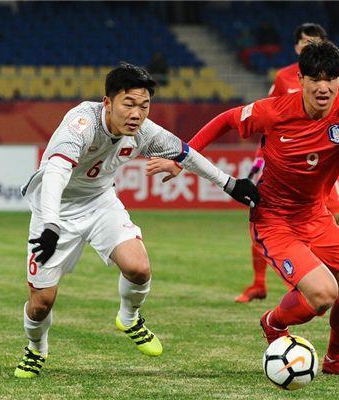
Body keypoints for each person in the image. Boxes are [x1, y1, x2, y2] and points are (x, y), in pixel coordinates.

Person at [147, 41, 339, 376]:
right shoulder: (274, 110)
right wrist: (181, 159)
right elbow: (226, 120)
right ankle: (273, 323)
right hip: (274, 219)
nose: (323, 87)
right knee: (323, 294)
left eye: (330, 79)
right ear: (300, 79)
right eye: (315, 79)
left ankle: (336, 360)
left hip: (316, 216)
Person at [14, 62, 259, 378]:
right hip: (55, 210)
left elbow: (185, 154)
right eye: (128, 104)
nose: (137, 114)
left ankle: (129, 318)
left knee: (139, 268)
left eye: (144, 106)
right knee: (41, 304)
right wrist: (50, 223)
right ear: (108, 103)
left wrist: (230, 184)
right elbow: (55, 173)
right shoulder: (80, 124)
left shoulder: (144, 131)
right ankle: (36, 349)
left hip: (100, 204)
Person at [235, 22, 339, 303]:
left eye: (315, 41)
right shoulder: (284, 78)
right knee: (269, 214)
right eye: (305, 41)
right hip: (291, 164)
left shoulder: (338, 78)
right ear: (296, 47)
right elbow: (269, 121)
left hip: (326, 165)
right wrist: (260, 159)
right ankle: (262, 282)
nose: (309, 45)